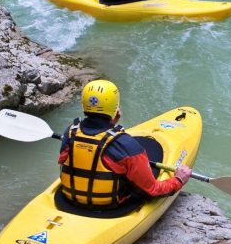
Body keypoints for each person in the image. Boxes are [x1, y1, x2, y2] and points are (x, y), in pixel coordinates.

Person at [58, 79, 192, 209]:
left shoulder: (70, 132)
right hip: (109, 207)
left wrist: (110, 124)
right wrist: (179, 180)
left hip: (70, 200)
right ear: (116, 109)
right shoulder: (127, 145)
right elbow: (153, 191)